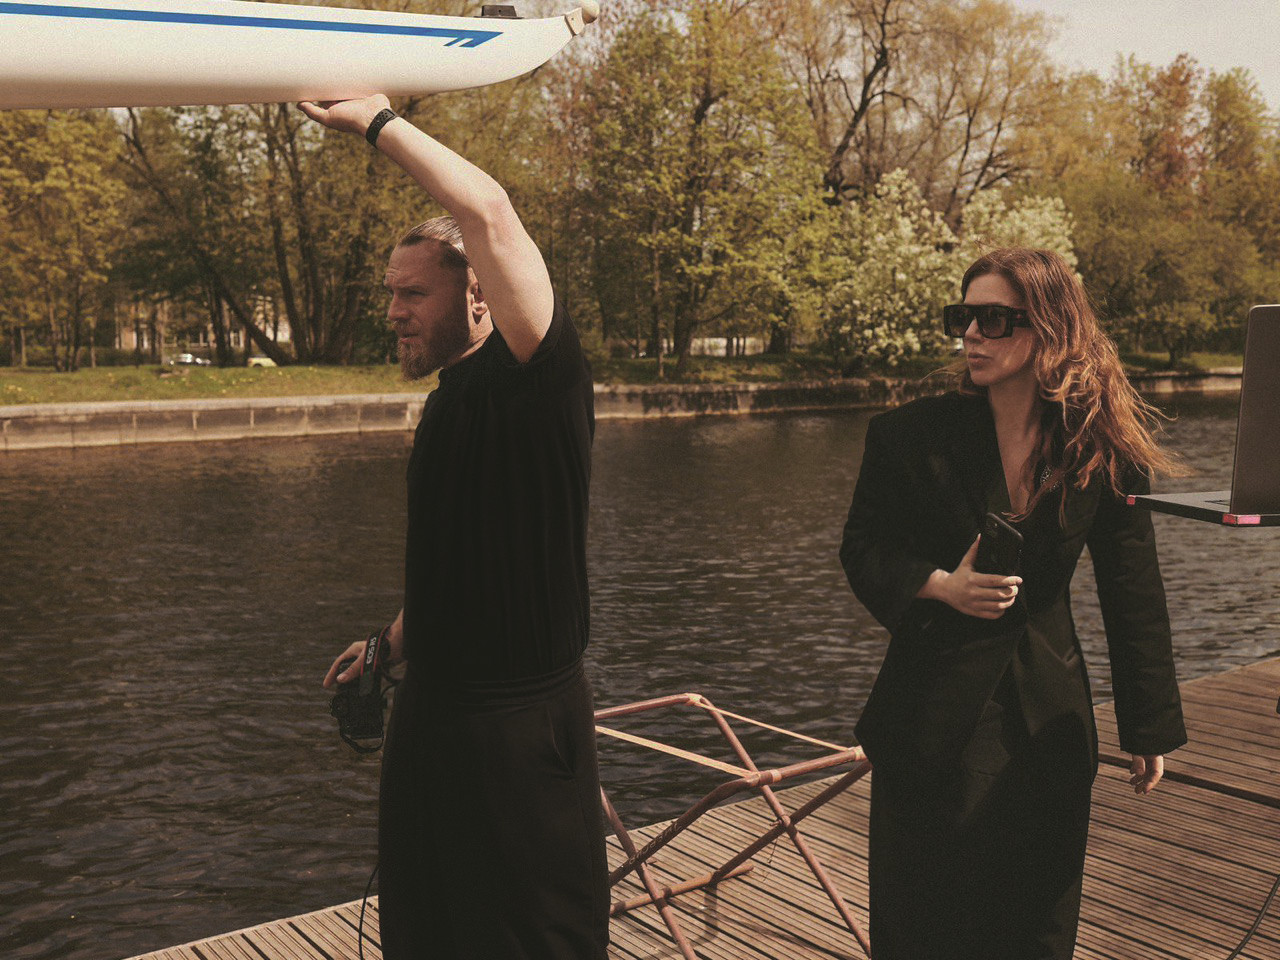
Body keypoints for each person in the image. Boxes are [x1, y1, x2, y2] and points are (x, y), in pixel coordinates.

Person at [309, 95, 608, 960]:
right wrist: (390, 645)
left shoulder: (540, 381)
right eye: (389, 294)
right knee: (425, 932)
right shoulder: (447, 406)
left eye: (413, 294)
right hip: (432, 718)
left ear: (478, 291)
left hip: (521, 733)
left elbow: (491, 211)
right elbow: (462, 562)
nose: (393, 312)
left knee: (532, 942)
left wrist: (376, 122)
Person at [840, 247, 1187, 960]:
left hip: (1047, 719)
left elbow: (1132, 589)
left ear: (1050, 328)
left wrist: (1147, 724)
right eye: (962, 317)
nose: (971, 334)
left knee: (1037, 928)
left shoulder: (1101, 447)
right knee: (923, 929)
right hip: (930, 712)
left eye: (994, 319)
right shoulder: (907, 435)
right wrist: (941, 584)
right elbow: (864, 548)